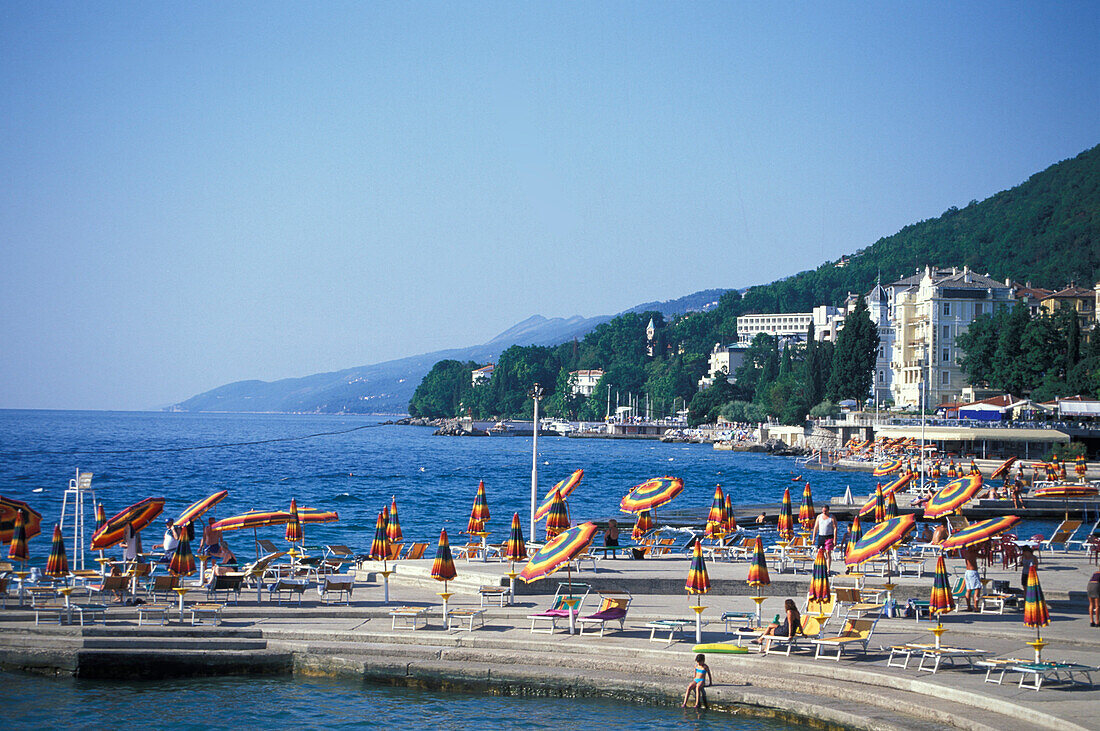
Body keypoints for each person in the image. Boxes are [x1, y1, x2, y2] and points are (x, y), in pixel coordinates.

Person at [812, 505, 837, 569]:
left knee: (828, 552)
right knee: (821, 553)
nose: (824, 512)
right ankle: (823, 567)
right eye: (823, 511)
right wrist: (813, 538)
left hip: (829, 537)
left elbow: (835, 528)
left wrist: (835, 539)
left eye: (825, 511)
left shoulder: (832, 517)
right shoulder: (819, 517)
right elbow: (816, 528)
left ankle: (828, 569)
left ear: (828, 510)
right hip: (821, 537)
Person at [961, 544, 981, 611]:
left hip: (967, 572)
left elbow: (976, 550)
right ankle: (976, 607)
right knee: (977, 589)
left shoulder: (966, 552)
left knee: (968, 590)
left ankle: (969, 606)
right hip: (973, 572)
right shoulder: (973, 552)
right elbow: (983, 556)